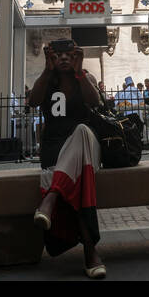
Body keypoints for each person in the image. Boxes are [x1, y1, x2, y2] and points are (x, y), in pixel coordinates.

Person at [27, 39, 105, 278]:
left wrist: (80, 71)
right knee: (78, 181)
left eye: (68, 55)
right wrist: (45, 69)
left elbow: (95, 102)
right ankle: (91, 251)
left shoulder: (86, 78)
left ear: (76, 57)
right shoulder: (46, 82)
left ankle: (50, 198)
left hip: (86, 145)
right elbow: (32, 102)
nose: (63, 59)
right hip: (56, 149)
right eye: (57, 55)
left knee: (81, 130)